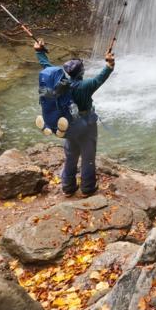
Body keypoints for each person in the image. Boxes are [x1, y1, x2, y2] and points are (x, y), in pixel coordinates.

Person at [33, 39, 115, 196]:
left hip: (70, 124)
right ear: (81, 73)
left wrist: (39, 52)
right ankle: (87, 188)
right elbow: (101, 77)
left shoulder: (61, 85)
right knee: (88, 156)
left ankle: (68, 187)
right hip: (86, 124)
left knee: (71, 155)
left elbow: (47, 67)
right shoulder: (86, 86)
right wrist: (109, 64)